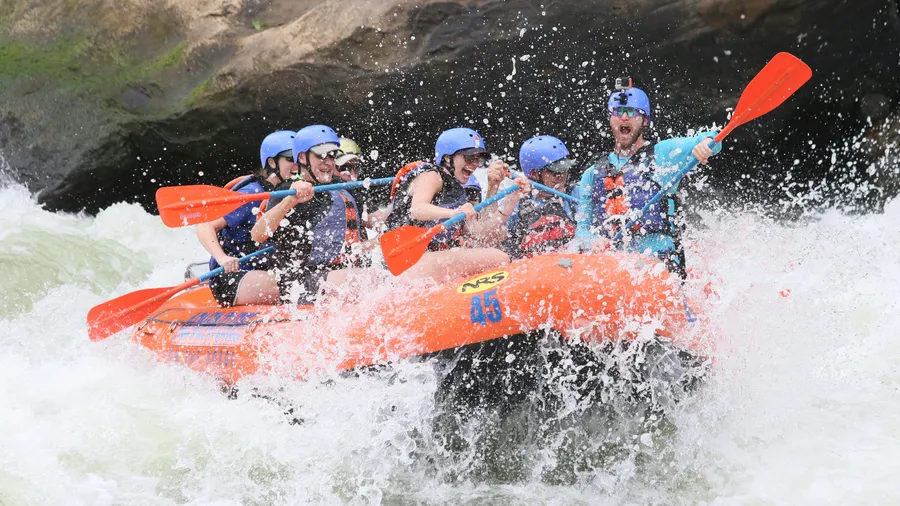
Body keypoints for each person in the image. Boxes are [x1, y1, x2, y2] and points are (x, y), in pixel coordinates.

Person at [573, 83, 720, 278]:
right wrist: (593, 241)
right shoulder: (592, 174)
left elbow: (714, 139)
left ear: (644, 120)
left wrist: (706, 144)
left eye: (632, 112)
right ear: (610, 119)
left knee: (638, 272)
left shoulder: (663, 155)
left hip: (659, 261)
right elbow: (581, 232)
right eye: (618, 111)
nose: (624, 117)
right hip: (613, 265)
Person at [385, 127, 530, 281]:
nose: (475, 164)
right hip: (404, 262)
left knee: (496, 250)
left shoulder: (458, 192)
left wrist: (510, 199)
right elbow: (417, 209)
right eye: (469, 157)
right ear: (448, 158)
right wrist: (453, 213)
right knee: (498, 258)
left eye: (478, 159)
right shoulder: (432, 175)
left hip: (424, 261)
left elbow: (482, 235)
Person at [251, 125, 370, 304]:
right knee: (364, 281)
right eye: (321, 155)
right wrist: (290, 200)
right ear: (302, 157)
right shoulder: (287, 190)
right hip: (301, 281)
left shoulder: (341, 187)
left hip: (340, 271)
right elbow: (257, 235)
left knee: (383, 274)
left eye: (332, 155)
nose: (328, 162)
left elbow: (369, 222)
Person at [195, 130, 296, 306]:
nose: (297, 165)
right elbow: (205, 226)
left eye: (300, 159)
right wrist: (222, 258)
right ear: (272, 162)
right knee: (295, 285)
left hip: (264, 270)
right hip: (233, 276)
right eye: (290, 159)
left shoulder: (293, 191)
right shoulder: (253, 193)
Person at [502, 135, 577, 258]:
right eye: (555, 171)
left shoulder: (576, 194)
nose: (562, 175)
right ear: (534, 174)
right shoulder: (516, 202)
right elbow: (492, 237)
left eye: (565, 169)